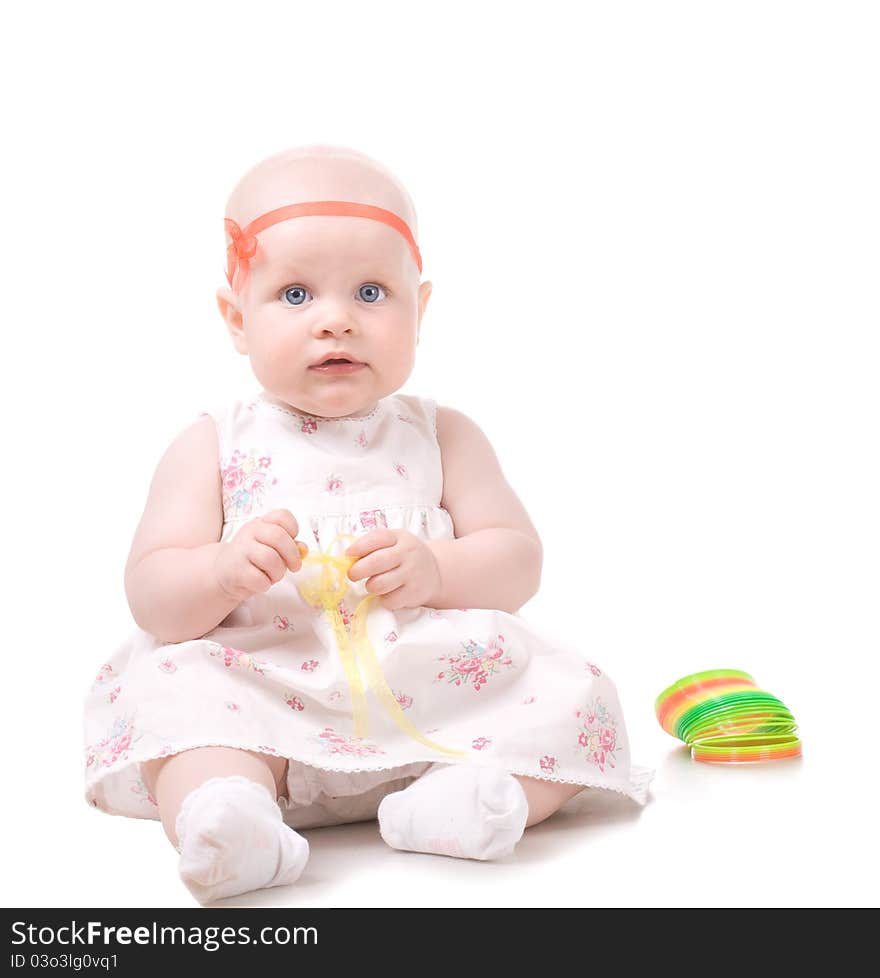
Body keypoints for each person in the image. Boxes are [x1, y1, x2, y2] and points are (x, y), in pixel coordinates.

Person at [82, 143, 653, 904]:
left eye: (372, 292)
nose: (337, 322)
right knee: (179, 693)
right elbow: (152, 592)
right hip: (268, 693)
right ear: (235, 316)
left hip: (432, 692)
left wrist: (441, 570)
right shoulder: (212, 443)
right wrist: (218, 573)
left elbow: (518, 559)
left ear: (421, 309)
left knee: (574, 697)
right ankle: (229, 811)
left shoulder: (443, 433)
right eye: (294, 295)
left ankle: (466, 801)